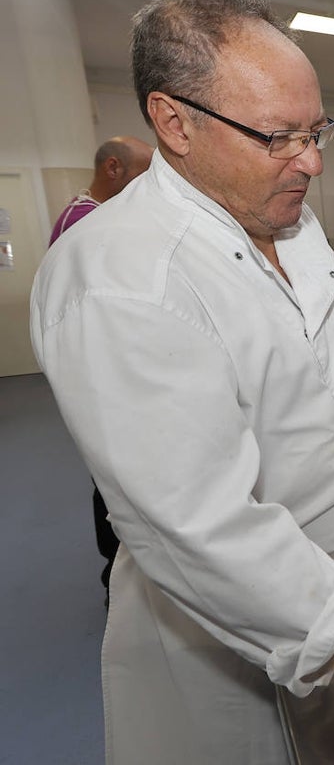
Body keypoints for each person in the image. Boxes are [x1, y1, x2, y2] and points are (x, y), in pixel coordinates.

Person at [30, 0, 334, 764]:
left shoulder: (283, 215)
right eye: (278, 136)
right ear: (172, 120)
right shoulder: (118, 276)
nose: (312, 162)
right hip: (231, 630)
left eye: (317, 131)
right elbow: (203, 530)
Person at [48, 134, 153, 602]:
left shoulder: (99, 215)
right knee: (114, 481)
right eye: (144, 170)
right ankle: (119, 579)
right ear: (114, 168)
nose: (151, 182)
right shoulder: (86, 225)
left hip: (116, 372)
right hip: (103, 377)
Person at [49, 136, 154, 244]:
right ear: (113, 168)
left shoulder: (106, 212)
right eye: (144, 176)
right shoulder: (83, 221)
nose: (150, 184)